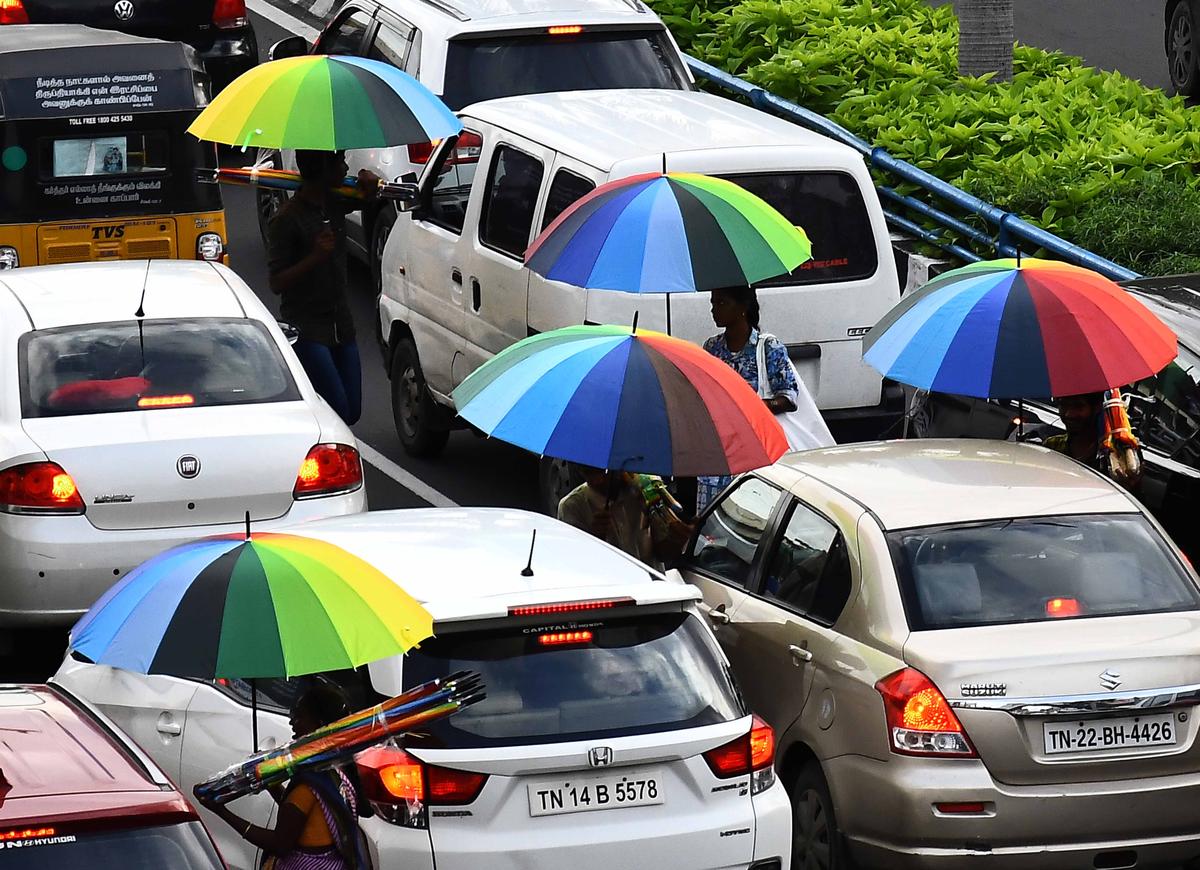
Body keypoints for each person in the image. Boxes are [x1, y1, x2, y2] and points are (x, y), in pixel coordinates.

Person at [197, 683, 367, 870]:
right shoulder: (334, 771)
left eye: (299, 716)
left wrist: (222, 812)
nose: (292, 721)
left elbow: (280, 844)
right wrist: (269, 781)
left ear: (318, 724)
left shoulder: (309, 785)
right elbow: (296, 813)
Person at [267, 150, 380, 425]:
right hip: (308, 327)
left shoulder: (335, 202)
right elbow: (276, 282)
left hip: (341, 323)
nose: (345, 167)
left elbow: (370, 200)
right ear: (321, 169)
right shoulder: (286, 219)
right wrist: (314, 257)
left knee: (352, 411)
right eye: (338, 162)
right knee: (338, 409)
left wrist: (371, 186)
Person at [696, 286, 800, 512]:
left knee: (750, 515)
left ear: (742, 308)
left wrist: (757, 407)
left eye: (722, 303)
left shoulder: (768, 347)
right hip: (718, 448)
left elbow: (789, 396)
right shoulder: (712, 347)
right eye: (713, 303)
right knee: (711, 519)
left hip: (754, 450)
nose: (714, 310)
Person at [558, 465, 692, 567]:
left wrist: (677, 540)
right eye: (589, 473)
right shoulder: (572, 506)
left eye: (604, 473)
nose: (598, 480)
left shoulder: (645, 490)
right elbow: (573, 565)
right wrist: (595, 538)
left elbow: (663, 554)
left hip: (650, 588)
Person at [1045, 392, 1142, 489]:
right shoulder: (1052, 446)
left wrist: (1130, 488)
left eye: (1078, 406)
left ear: (1096, 408)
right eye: (1063, 405)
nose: (1068, 414)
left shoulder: (1117, 458)